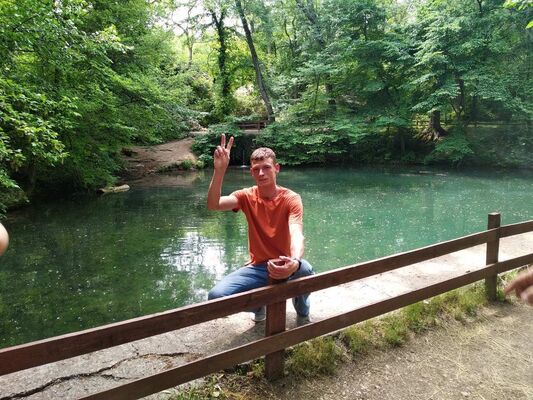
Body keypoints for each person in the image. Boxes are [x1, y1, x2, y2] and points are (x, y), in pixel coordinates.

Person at [207, 134, 314, 326]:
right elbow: (214, 204)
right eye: (256, 169)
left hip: (286, 262)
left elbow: (296, 232)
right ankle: (258, 306)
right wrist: (219, 171)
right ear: (251, 172)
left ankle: (302, 312)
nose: (261, 173)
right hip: (259, 267)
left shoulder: (291, 198)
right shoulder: (245, 196)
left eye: (266, 167)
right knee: (216, 297)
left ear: (276, 168)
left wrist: (295, 260)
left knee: (304, 269)